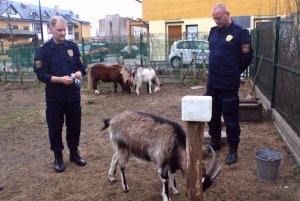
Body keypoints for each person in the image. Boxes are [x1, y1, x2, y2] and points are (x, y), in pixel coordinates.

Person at [33, 16, 87, 173]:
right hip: (54, 97)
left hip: (72, 95)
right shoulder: (43, 51)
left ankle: (74, 153)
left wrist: (78, 73)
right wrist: (59, 80)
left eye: (65, 30)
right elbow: (40, 74)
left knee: (74, 125)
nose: (63, 33)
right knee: (55, 128)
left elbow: (82, 66)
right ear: (51, 30)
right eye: (59, 30)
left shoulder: (72, 47)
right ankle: (58, 157)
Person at [206, 3, 253, 165]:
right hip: (212, 82)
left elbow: (247, 58)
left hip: (228, 84)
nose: (216, 21)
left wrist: (233, 72)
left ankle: (233, 148)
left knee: (230, 116)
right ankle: (215, 142)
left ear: (228, 14)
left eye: (218, 18)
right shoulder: (213, 32)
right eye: (214, 18)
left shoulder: (241, 33)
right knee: (212, 114)